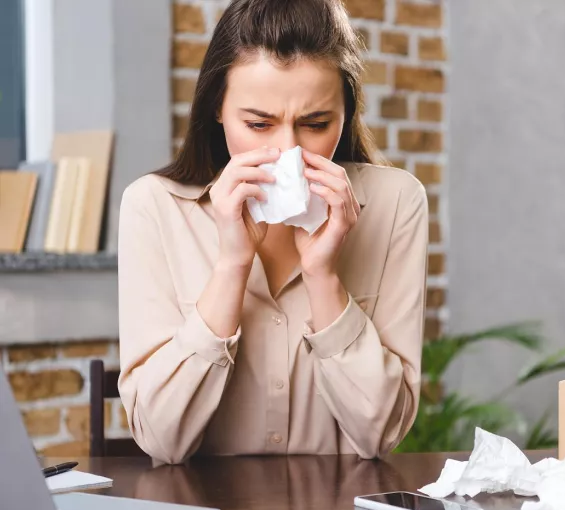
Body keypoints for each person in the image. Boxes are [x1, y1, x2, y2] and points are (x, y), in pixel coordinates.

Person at [117, 0, 428, 464]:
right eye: (258, 124)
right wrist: (231, 266)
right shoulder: (154, 207)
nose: (287, 152)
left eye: (316, 124)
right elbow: (162, 442)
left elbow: (379, 434)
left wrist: (324, 278)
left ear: (346, 115)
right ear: (217, 110)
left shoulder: (395, 202)